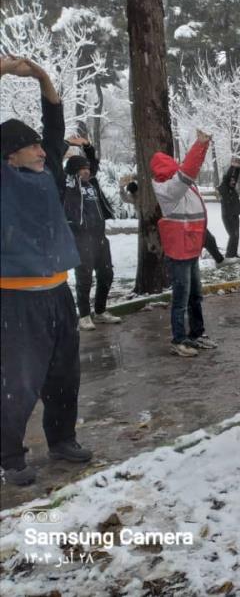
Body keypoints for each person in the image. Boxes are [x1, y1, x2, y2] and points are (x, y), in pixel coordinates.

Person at [1, 55, 93, 486]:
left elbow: (54, 125)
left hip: (59, 290)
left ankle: (62, 439)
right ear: (9, 155)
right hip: (17, 299)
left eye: (41, 145)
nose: (42, 150)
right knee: (18, 381)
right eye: (32, 146)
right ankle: (11, 457)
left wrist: (42, 76)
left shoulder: (49, 171)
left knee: (64, 374)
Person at [150, 129, 218, 358]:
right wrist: (201, 145)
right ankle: (179, 339)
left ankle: (197, 333)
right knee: (181, 298)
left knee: (195, 295)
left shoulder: (180, 185)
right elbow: (188, 170)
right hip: (179, 252)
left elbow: (188, 172)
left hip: (190, 248)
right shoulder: (169, 189)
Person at [62, 136, 122, 330]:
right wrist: (66, 144)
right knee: (84, 278)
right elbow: (54, 162)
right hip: (80, 238)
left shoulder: (91, 183)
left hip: (99, 237)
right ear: (73, 171)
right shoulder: (67, 186)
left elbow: (93, 161)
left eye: (88, 168)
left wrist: (86, 146)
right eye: (82, 168)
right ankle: (84, 315)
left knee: (106, 274)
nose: (87, 171)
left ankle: (101, 311)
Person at [217, 158, 240, 258]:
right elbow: (228, 177)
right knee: (233, 235)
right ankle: (229, 255)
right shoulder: (224, 187)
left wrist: (237, 169)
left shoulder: (232, 188)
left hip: (235, 215)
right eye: (231, 181)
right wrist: (232, 167)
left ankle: (233, 254)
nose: (233, 182)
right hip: (227, 216)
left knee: (236, 236)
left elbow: (234, 177)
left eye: (234, 181)